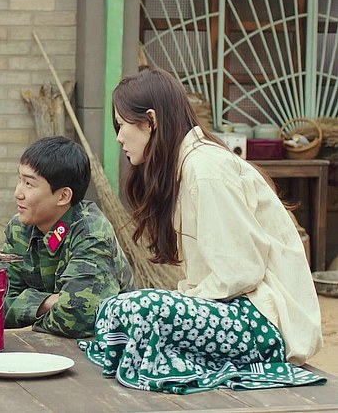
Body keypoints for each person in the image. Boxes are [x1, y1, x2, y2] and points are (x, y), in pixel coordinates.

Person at [78, 66, 325, 393]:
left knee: (136, 308)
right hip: (233, 313)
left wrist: (180, 301)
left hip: (263, 322)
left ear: (150, 121)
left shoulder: (205, 169)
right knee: (113, 310)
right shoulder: (188, 166)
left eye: (121, 125)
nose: (119, 137)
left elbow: (241, 272)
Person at [2, 136, 134, 338]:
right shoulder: (19, 228)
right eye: (20, 180)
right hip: (44, 345)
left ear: (63, 196)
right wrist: (49, 302)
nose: (18, 193)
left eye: (29, 184)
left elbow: (77, 318)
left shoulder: (91, 232)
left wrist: (28, 310)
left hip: (104, 345)